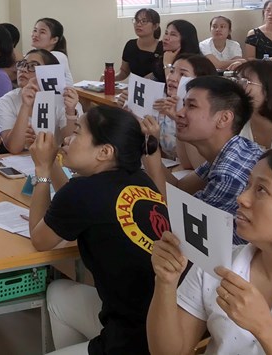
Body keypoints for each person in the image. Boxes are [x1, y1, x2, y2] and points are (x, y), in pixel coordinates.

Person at [28, 106, 169, 354]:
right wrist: (51, 164)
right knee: (58, 293)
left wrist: (42, 171)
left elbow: (40, 239)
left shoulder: (82, 193)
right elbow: (73, 203)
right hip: (160, 324)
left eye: (77, 132)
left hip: (133, 341)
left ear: (104, 152)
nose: (67, 139)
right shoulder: (140, 179)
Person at [147, 148, 272, 355]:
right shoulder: (218, 263)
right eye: (248, 185)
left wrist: (264, 327)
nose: (242, 198)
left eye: (262, 190)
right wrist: (165, 282)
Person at [141, 76, 261, 244]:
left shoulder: (229, 174)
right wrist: (148, 147)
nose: (179, 113)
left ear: (224, 119)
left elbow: (181, 224)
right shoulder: (231, 149)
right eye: (183, 104)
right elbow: (179, 188)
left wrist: (151, 151)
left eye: (191, 106)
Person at [0, 49, 79, 154]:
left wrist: (70, 112)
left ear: (49, 72)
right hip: (19, 159)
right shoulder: (7, 100)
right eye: (22, 64)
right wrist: (25, 106)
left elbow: (69, 142)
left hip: (53, 158)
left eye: (33, 66)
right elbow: (14, 148)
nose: (23, 69)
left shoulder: (65, 100)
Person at [149, 54, 216, 168]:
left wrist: (179, 120)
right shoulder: (164, 106)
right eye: (172, 71)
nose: (171, 78)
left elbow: (195, 166)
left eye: (183, 74)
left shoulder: (207, 115)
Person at [116, 8, 163, 80]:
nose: (138, 24)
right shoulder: (130, 45)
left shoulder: (163, 47)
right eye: (136, 21)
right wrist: (109, 77)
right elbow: (124, 72)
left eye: (144, 21)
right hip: (136, 86)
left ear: (155, 26)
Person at [30, 17, 74, 87]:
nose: (35, 35)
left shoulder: (58, 56)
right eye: (35, 30)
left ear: (54, 40)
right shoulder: (34, 54)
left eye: (42, 32)